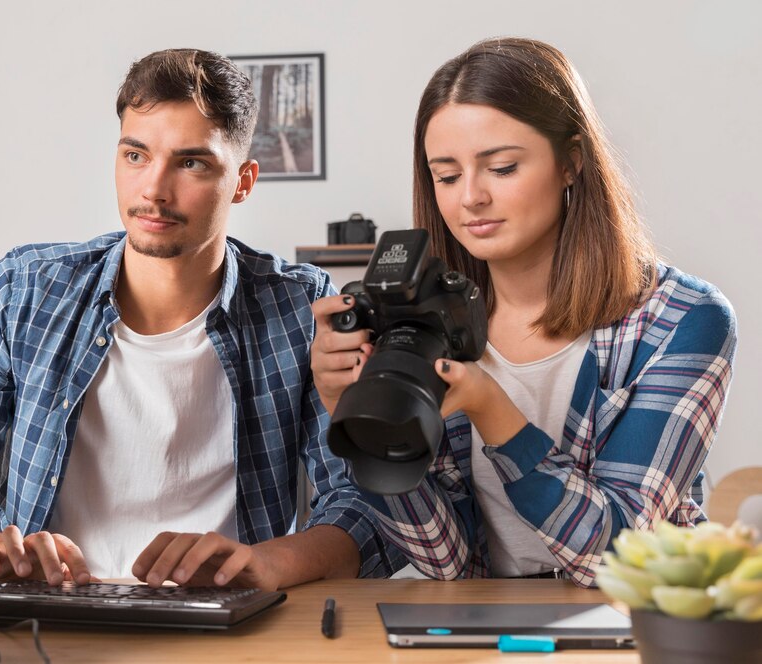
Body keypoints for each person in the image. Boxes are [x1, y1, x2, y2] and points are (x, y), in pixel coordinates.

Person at [310, 37, 737, 587]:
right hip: (486, 619)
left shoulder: (680, 319)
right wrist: (358, 418)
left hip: (638, 622)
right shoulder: (428, 326)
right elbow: (447, 560)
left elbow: (618, 556)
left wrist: (495, 412)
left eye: (503, 168)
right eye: (446, 175)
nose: (471, 198)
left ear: (571, 162)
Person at [0, 48, 403, 590]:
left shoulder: (300, 308)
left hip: (230, 622)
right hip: (47, 615)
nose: (154, 190)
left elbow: (365, 503)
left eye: (191, 163)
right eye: (136, 156)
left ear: (243, 182)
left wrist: (264, 564)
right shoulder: (25, 288)